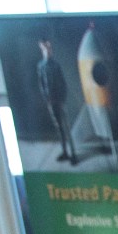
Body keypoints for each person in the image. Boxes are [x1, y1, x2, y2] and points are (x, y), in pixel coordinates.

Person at [38, 35, 76, 163]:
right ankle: (65, 152)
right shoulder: (41, 66)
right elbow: (42, 84)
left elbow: (63, 83)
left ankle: (74, 154)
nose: (48, 51)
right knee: (58, 128)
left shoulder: (56, 65)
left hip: (60, 100)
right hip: (50, 101)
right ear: (42, 49)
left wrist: (62, 99)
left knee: (66, 127)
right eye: (46, 48)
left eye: (50, 48)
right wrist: (46, 99)